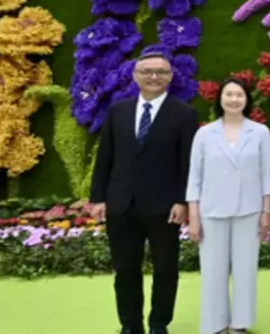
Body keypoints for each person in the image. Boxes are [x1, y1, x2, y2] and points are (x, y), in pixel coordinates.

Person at [89, 49, 200, 334]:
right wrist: (98, 198)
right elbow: (105, 158)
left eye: (161, 72)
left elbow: (187, 163)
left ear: (170, 77)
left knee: (165, 269)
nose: (154, 76)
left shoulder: (184, 114)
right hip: (121, 203)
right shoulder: (118, 111)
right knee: (125, 268)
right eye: (147, 71)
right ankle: (130, 324)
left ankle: (159, 323)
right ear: (136, 75)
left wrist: (182, 201)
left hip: (165, 207)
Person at [186, 78, 270, 334]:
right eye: (229, 94)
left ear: (246, 99)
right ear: (220, 99)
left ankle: (240, 323)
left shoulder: (260, 133)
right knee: (213, 271)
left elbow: (266, 175)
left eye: (239, 94)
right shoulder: (204, 133)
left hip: (248, 211)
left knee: (245, 269)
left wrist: (266, 212)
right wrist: (194, 216)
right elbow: (195, 177)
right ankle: (215, 324)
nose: (234, 99)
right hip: (212, 211)